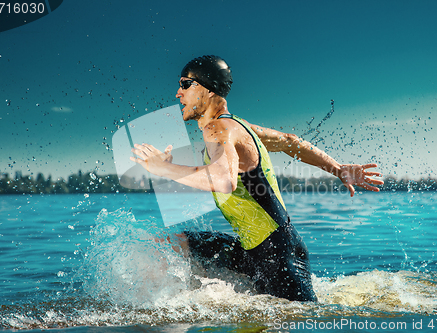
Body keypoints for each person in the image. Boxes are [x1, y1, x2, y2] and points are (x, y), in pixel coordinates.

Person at [130, 55, 383, 302]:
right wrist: (338, 169)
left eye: (185, 84)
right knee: (173, 244)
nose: (178, 93)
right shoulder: (240, 126)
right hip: (259, 249)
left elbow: (224, 181)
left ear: (207, 89)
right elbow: (290, 142)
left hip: (276, 257)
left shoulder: (218, 128)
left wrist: (162, 169)